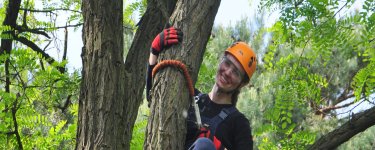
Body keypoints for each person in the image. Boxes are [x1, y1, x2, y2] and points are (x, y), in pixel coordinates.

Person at [146, 26, 256, 150]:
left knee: (204, 145)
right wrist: (154, 51)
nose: (228, 72)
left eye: (236, 72)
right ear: (220, 61)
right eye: (227, 63)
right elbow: (155, 100)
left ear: (242, 83)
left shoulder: (238, 123)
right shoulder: (190, 97)